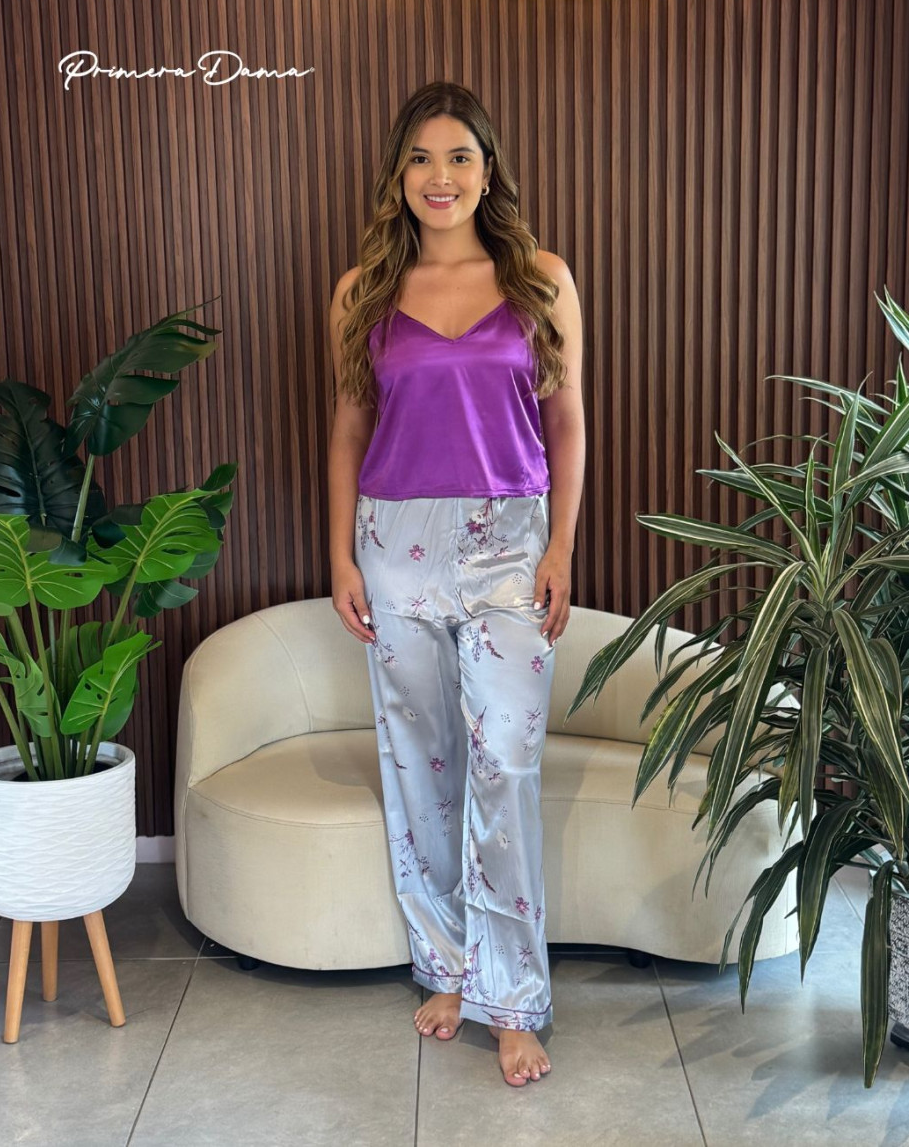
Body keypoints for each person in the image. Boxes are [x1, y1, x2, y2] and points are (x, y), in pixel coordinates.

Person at [327, 82, 585, 1088]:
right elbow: (349, 427)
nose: (440, 177)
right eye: (421, 158)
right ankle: (449, 968)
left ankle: (512, 1002)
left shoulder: (541, 279)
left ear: (488, 169)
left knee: (504, 763)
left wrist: (561, 549)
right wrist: (341, 555)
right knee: (421, 766)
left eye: (460, 156)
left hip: (512, 545)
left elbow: (566, 423)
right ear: (399, 174)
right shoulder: (361, 292)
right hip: (394, 543)